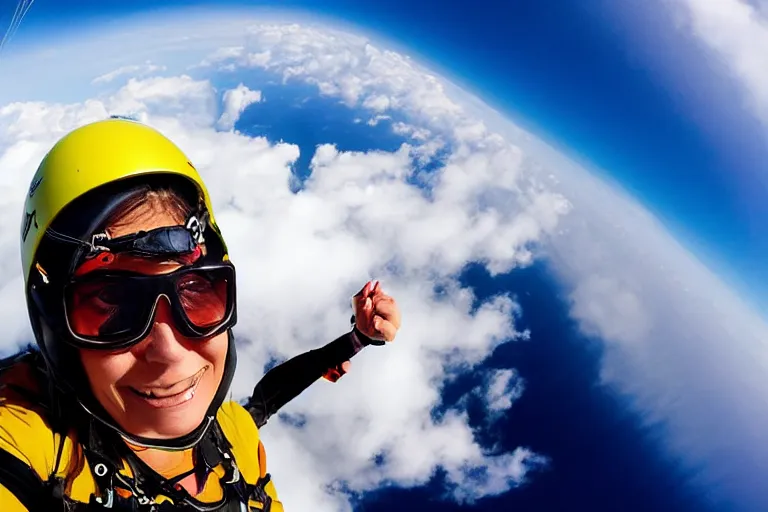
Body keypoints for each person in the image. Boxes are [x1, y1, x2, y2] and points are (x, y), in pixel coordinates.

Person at [0, 118, 402, 511]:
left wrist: (357, 339)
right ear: (55, 326)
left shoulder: (236, 437)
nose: (170, 351)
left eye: (194, 289)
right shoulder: (29, 444)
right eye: (111, 301)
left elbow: (265, 400)